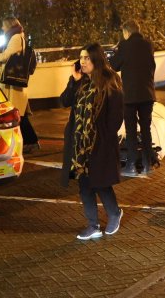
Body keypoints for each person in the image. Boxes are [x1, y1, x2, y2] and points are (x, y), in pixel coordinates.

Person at [60, 43, 125, 240]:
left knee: (101, 182)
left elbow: (116, 115)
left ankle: (114, 213)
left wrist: (105, 136)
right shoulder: (81, 81)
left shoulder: (109, 80)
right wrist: (74, 79)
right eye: (81, 57)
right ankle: (93, 224)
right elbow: (64, 101)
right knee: (84, 184)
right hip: (79, 143)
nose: (83, 61)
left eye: (87, 57)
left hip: (99, 142)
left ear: (96, 59)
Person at [0, 17, 39, 154]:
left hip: (13, 84)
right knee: (18, 114)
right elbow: (2, 50)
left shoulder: (16, 38)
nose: (2, 28)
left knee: (18, 114)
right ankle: (29, 141)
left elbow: (4, 56)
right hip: (13, 83)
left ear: (8, 25)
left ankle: (32, 141)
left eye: (3, 25)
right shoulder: (15, 37)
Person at [109, 20, 158, 175]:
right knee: (146, 129)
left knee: (131, 131)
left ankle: (131, 164)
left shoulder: (125, 45)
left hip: (130, 96)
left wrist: (115, 52)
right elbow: (151, 66)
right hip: (147, 94)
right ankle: (147, 163)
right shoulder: (148, 45)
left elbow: (114, 65)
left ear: (127, 32)